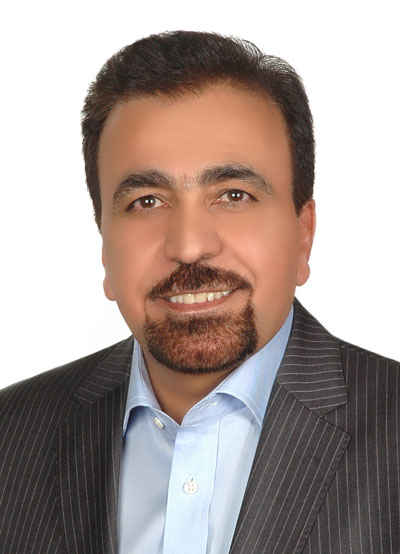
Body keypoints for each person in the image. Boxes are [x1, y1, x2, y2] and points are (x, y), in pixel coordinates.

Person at [0, 30, 398, 554]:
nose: (189, 246)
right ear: (105, 246)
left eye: (233, 195)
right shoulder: (11, 437)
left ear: (303, 235)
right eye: (146, 201)